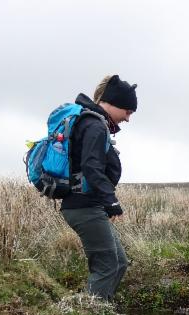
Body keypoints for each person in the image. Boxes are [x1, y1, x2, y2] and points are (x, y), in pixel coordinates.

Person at [60, 74, 138, 300]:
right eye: (128, 112)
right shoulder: (94, 125)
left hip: (89, 206)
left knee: (119, 263)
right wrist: (111, 201)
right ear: (115, 103)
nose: (128, 119)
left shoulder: (95, 123)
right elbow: (91, 167)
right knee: (106, 266)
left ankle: (104, 314)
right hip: (84, 206)